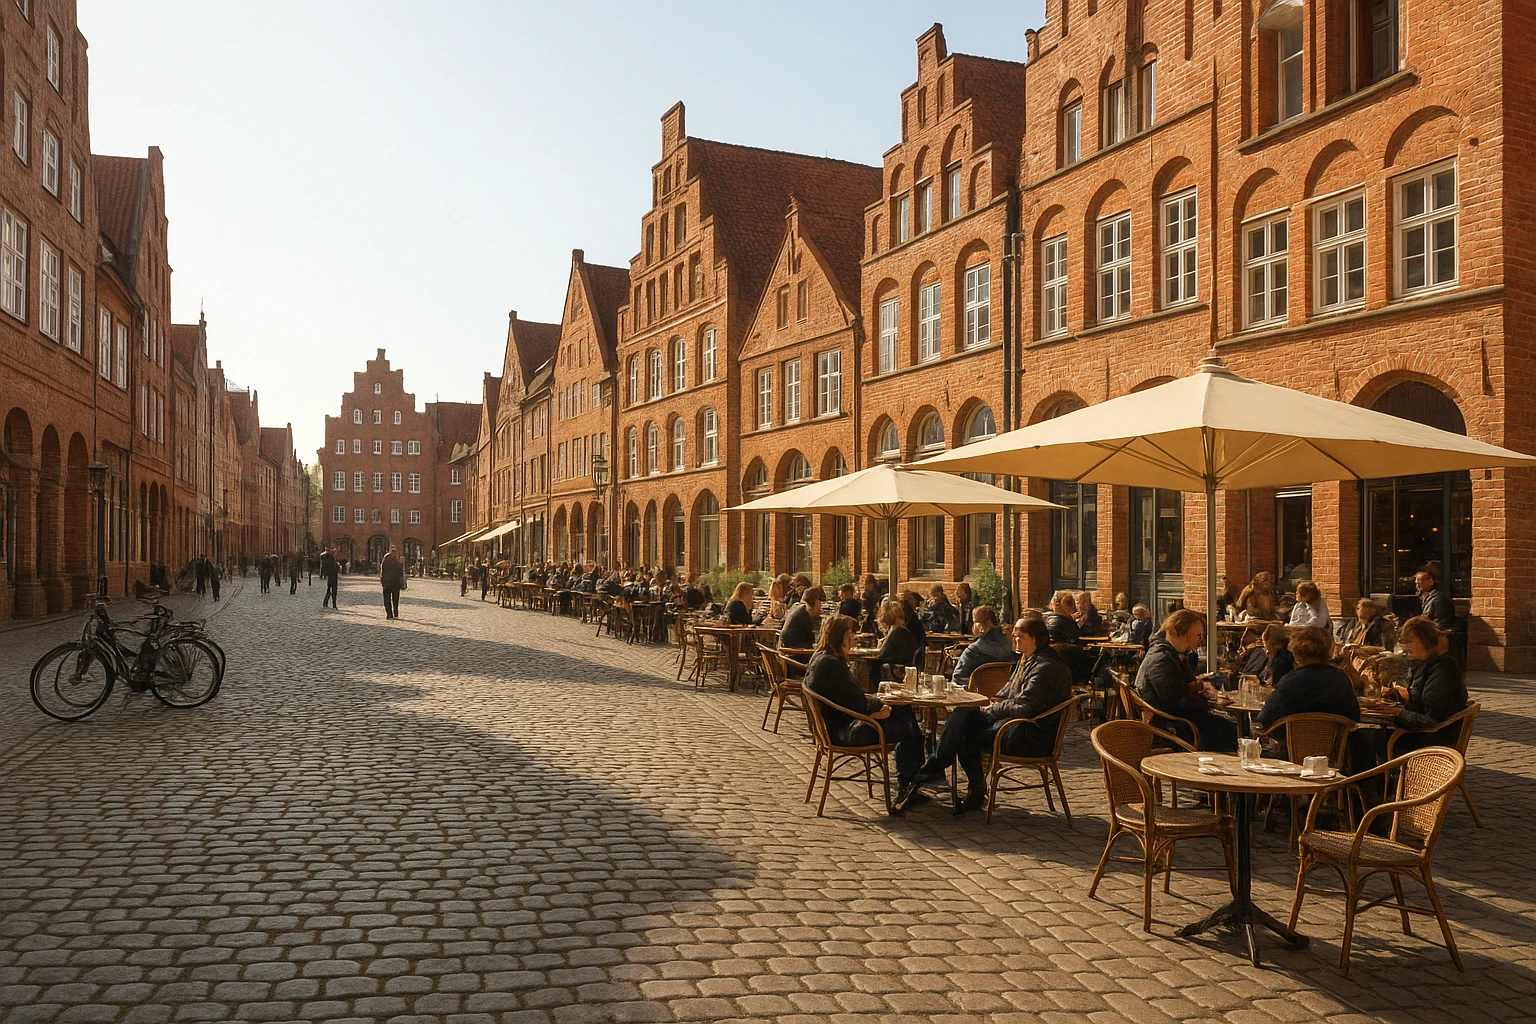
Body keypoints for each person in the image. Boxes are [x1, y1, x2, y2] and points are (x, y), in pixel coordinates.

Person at [921, 617, 1074, 814]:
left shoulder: (1046, 667)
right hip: (1012, 723)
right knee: (963, 712)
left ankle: (951, 773)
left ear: (1034, 639)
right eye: (1014, 635)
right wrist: (990, 704)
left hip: (1031, 734)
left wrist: (992, 709)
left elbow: (1024, 707)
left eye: (1020, 636)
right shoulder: (1026, 658)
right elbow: (1006, 693)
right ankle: (940, 763)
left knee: (965, 736)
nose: (1014, 639)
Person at [803, 614, 928, 813]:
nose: (853, 638)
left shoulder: (820, 657)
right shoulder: (831, 665)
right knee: (907, 723)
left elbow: (851, 697)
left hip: (834, 725)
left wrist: (877, 707)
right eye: (850, 634)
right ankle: (909, 783)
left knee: (904, 717)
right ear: (840, 637)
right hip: (843, 733)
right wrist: (878, 707)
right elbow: (858, 702)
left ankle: (911, 780)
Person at [1134, 609, 1237, 752]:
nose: (1200, 640)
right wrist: (1206, 702)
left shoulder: (1173, 654)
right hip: (1167, 725)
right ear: (1184, 632)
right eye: (1198, 635)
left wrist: (1196, 688)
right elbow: (1174, 702)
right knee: (1225, 727)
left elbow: (1180, 689)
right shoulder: (1162, 659)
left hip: (1171, 718)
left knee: (1225, 724)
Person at [1256, 626, 1361, 730]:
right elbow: (1355, 717)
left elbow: (1265, 717)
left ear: (1297, 654)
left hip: (1294, 744)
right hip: (1335, 745)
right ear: (1328, 650)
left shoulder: (1290, 681)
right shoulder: (1342, 679)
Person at [1389, 615, 1468, 751]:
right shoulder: (1426, 664)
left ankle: (1377, 772)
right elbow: (1421, 700)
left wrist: (1398, 713)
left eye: (1410, 642)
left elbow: (1431, 720)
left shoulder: (1442, 670)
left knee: (1368, 739)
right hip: (1422, 732)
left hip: (1432, 738)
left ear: (1423, 641)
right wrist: (1404, 695)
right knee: (1363, 735)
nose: (1406, 648)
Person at [949, 604, 1016, 689]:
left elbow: (957, 680)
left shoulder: (972, 652)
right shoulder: (1012, 644)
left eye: (974, 622)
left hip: (978, 695)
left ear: (986, 623)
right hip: (1005, 692)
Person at [874, 598, 921, 680]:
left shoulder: (897, 631)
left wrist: (880, 647)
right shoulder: (904, 632)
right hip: (908, 672)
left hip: (897, 675)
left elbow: (881, 656)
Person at [380, 545, 405, 619]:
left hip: (387, 583)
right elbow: (401, 574)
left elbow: (382, 573)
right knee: (395, 599)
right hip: (396, 584)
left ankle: (389, 614)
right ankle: (396, 614)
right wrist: (401, 583)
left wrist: (383, 581)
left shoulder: (385, 563)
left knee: (387, 600)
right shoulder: (398, 564)